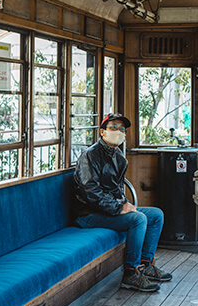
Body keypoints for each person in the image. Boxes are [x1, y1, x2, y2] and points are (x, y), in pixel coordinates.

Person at [73, 113, 172, 293]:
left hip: (106, 210)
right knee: (138, 219)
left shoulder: (118, 157)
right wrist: (119, 208)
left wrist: (125, 204)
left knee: (156, 215)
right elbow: (90, 192)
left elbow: (115, 189)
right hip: (88, 214)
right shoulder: (90, 156)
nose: (118, 132)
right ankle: (130, 273)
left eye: (122, 129)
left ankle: (145, 264)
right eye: (113, 128)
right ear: (102, 132)